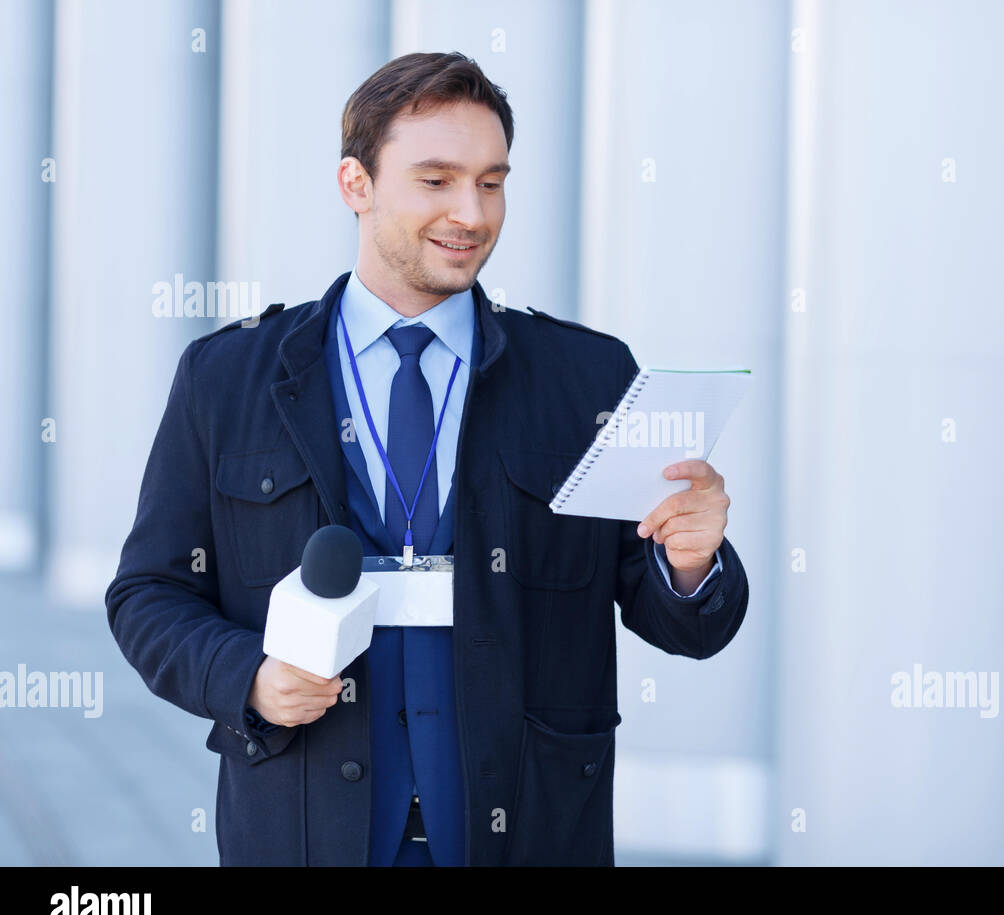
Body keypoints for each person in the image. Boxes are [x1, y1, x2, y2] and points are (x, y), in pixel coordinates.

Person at [104, 51, 749, 866]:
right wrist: (249, 679)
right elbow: (148, 594)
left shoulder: (586, 376)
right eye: (436, 180)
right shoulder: (228, 378)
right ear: (356, 185)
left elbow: (682, 621)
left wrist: (691, 565)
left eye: (491, 181)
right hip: (303, 836)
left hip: (531, 837)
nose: (472, 214)